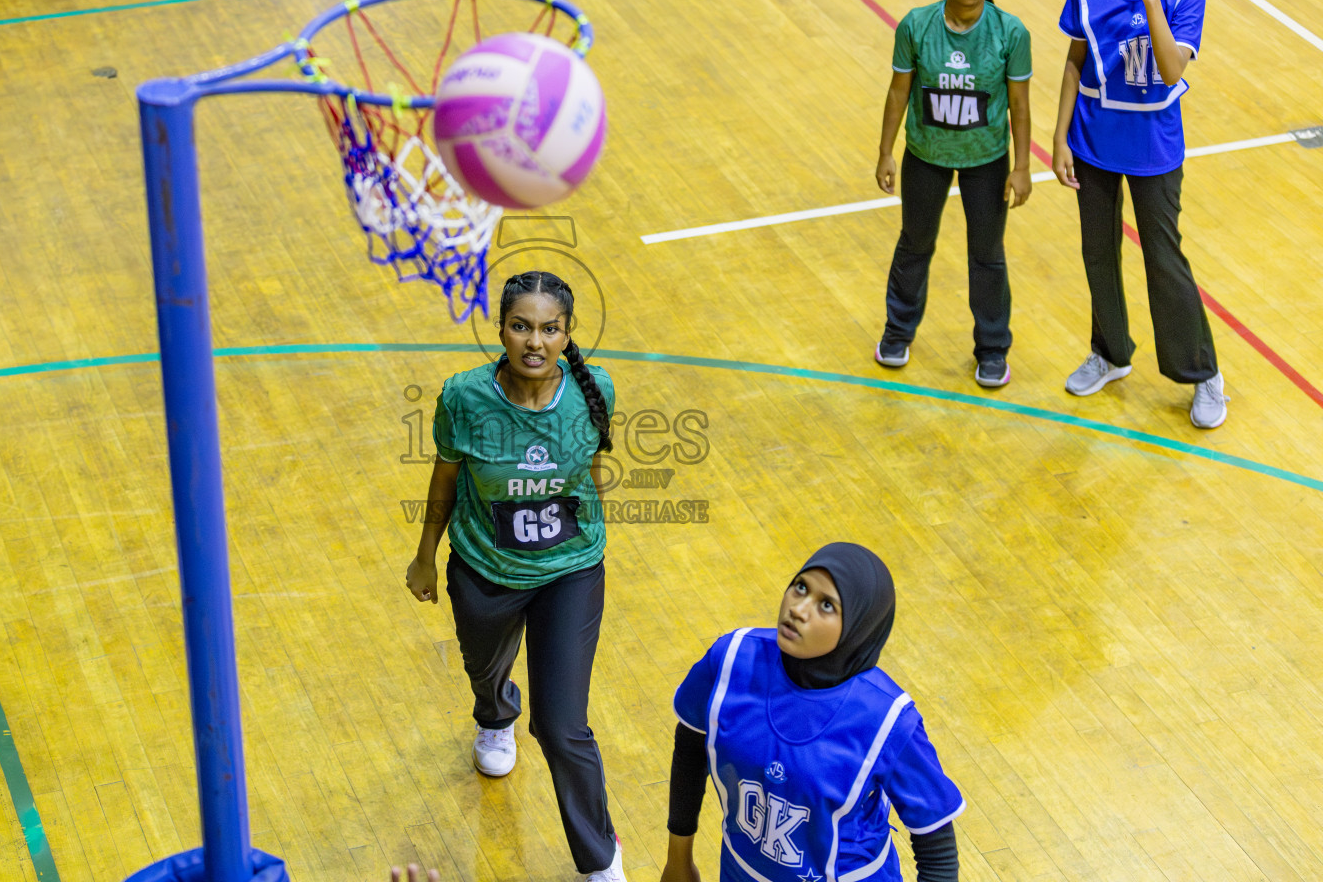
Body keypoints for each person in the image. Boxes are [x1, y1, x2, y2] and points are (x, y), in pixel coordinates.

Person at [405, 270, 625, 882]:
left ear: (567, 334)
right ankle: (494, 716)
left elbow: (590, 467)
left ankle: (601, 861)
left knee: (562, 726)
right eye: (521, 326)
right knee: (484, 668)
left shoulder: (596, 389)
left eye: (549, 329)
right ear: (500, 330)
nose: (535, 341)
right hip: (483, 567)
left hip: (570, 570)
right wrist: (426, 553)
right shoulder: (464, 397)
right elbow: (444, 479)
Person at [660, 543, 964, 882]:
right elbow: (690, 749)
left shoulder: (887, 720)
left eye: (827, 605)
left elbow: (937, 850)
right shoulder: (731, 660)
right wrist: (678, 862)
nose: (799, 609)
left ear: (858, 627)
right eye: (800, 587)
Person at [1051, 0, 1229, 428]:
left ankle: (1203, 374)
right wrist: (1058, 136)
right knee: (1098, 253)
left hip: (1154, 148)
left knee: (1164, 260)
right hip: (1092, 141)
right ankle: (1110, 352)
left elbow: (1173, 65)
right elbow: (1076, 58)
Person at [875, 0, 1033, 388]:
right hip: (925, 155)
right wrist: (886, 151)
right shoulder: (915, 25)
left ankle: (992, 349)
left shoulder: (1011, 33)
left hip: (987, 161)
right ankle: (897, 333)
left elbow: (1020, 106)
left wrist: (1022, 166)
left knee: (987, 255)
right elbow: (898, 91)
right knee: (915, 243)